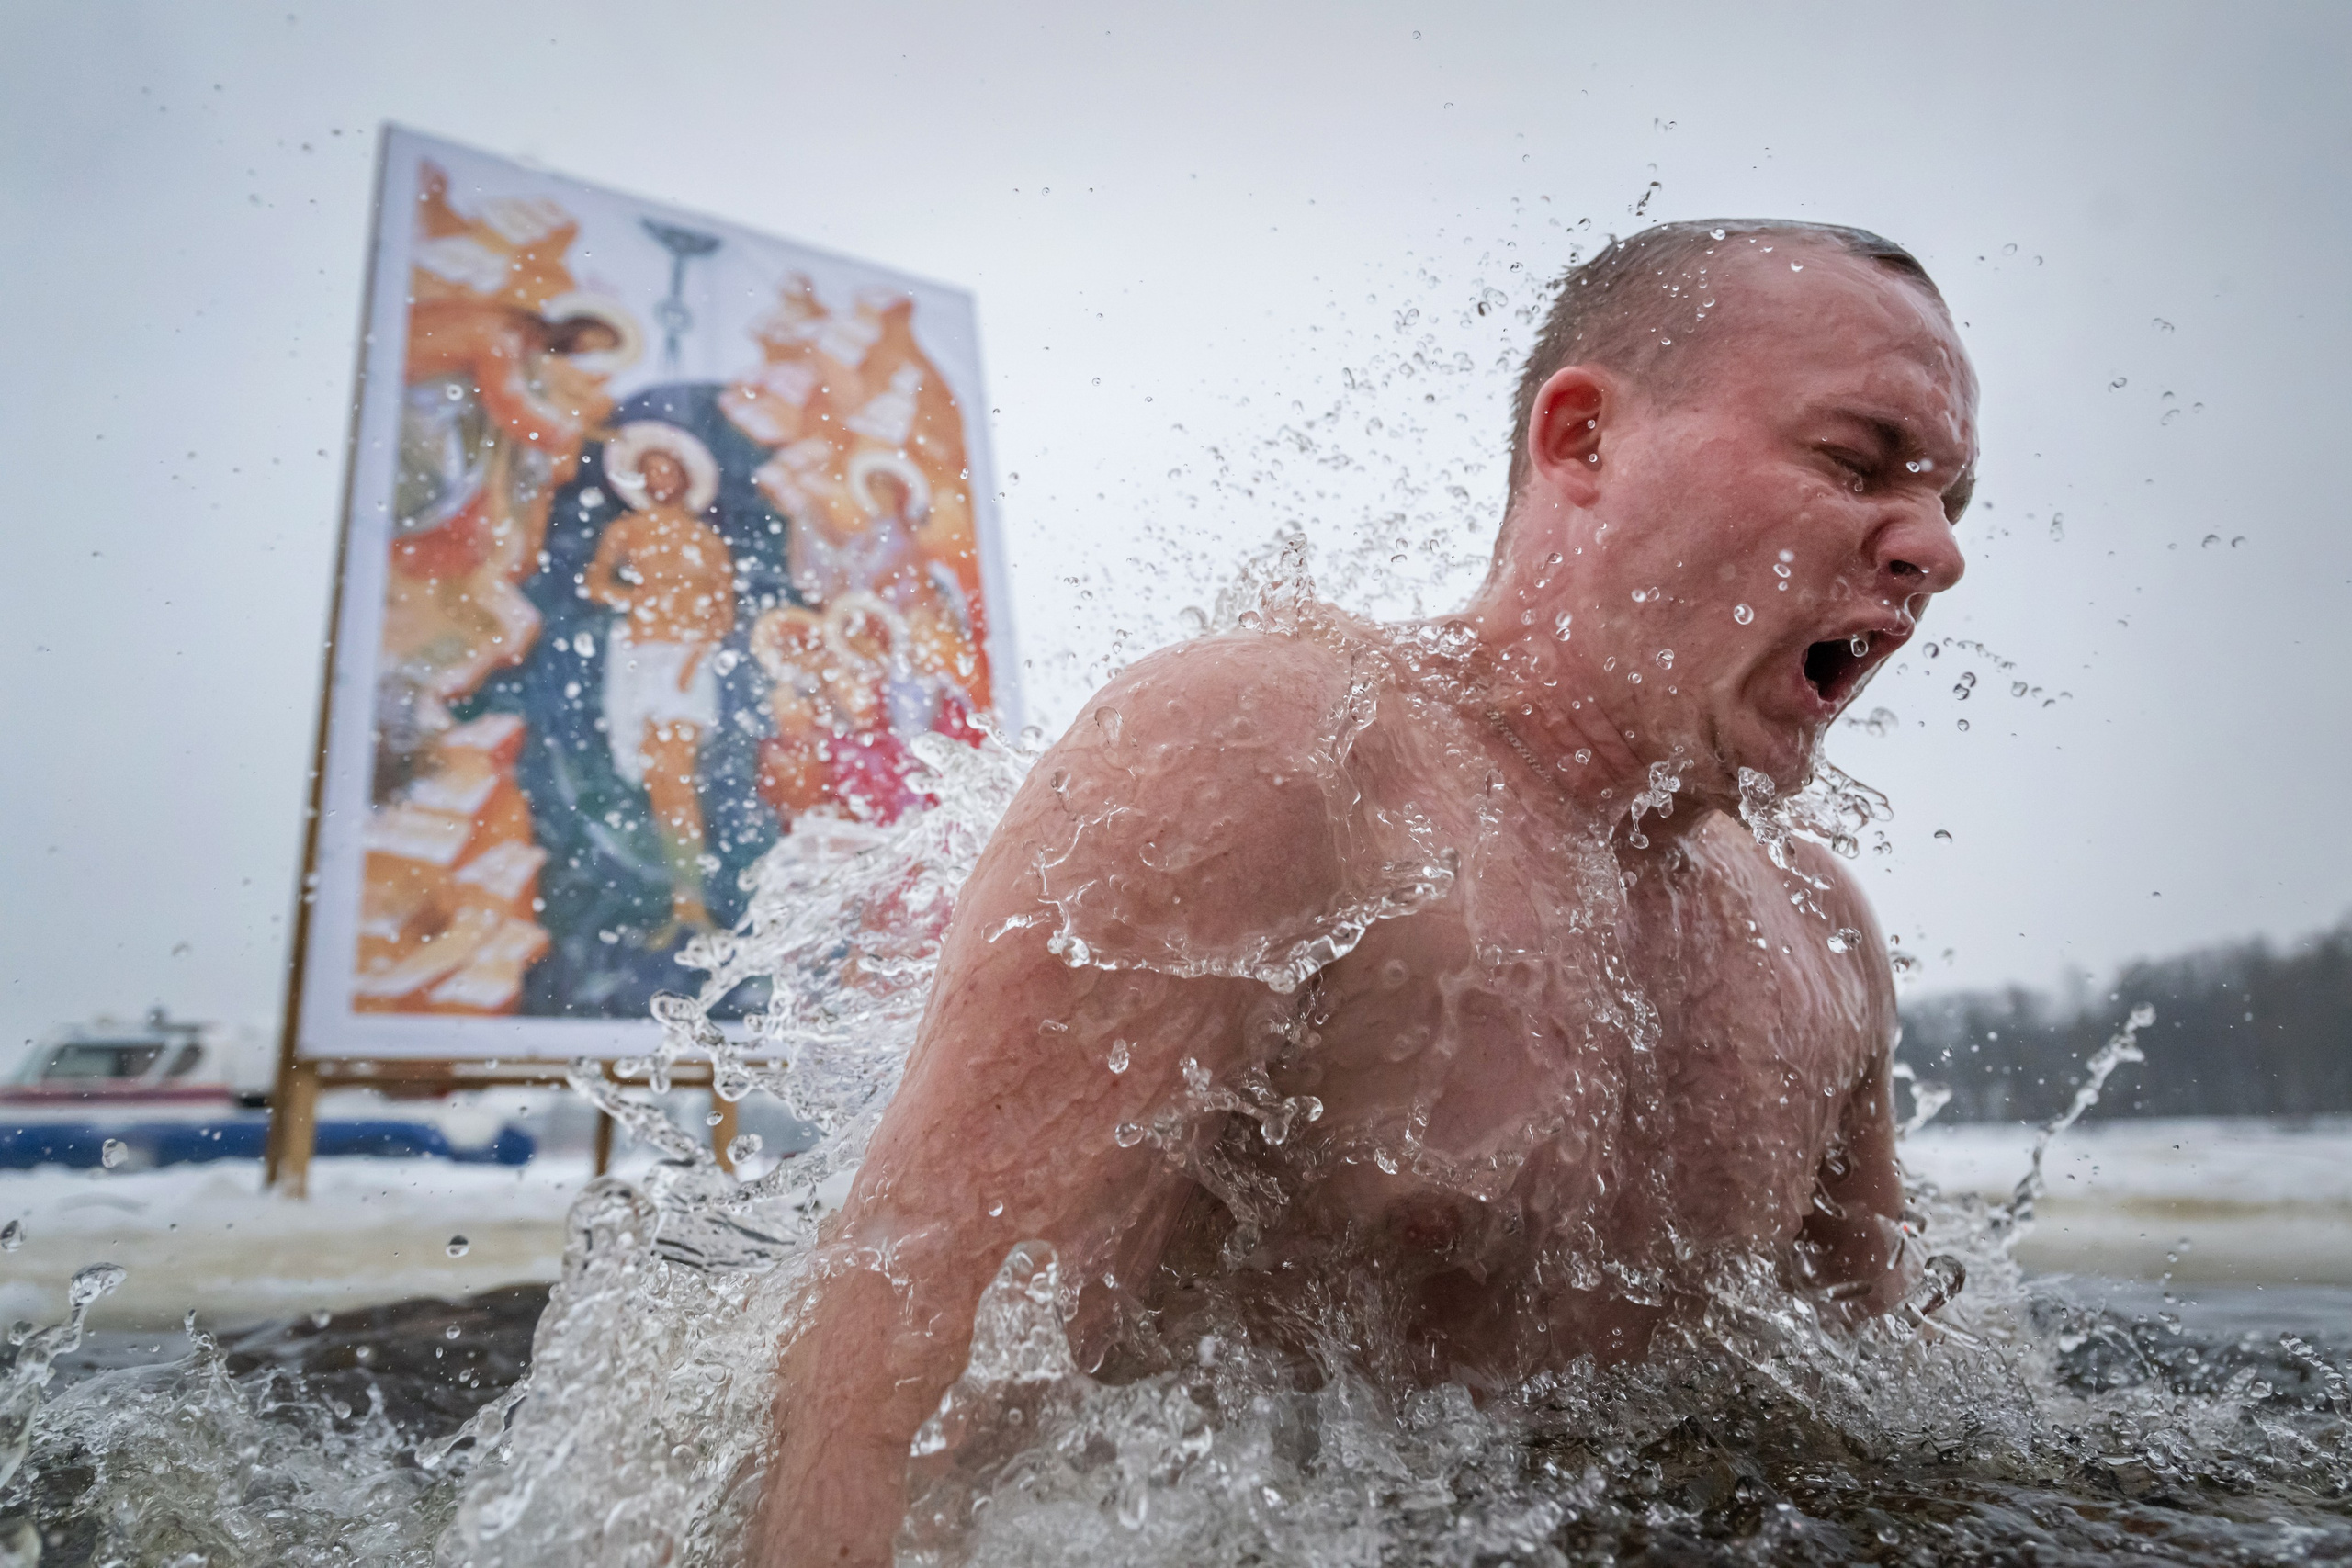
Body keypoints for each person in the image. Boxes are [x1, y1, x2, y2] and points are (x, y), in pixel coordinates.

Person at [756, 219, 1975, 1564]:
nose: (1933, 550)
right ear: (1582, 440)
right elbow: (898, 1399)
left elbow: (1872, 1456)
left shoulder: (1820, 935)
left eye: (1950, 505)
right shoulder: (1271, 763)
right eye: (1853, 462)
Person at [583, 422, 736, 940]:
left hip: (686, 659)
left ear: (684, 477)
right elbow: (597, 583)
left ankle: (692, 901)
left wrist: (694, 653)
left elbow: (722, 611)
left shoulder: (703, 539)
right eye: (649, 472)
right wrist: (639, 601)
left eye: (667, 471)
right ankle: (681, 901)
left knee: (678, 775)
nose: (659, 480)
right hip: (640, 656)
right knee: (659, 780)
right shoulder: (626, 531)